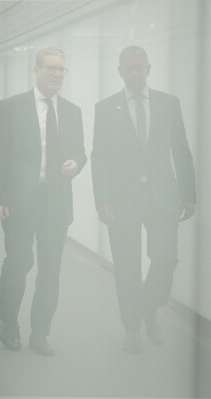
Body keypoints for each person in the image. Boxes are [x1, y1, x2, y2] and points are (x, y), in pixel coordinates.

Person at [91, 45, 196, 354]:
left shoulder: (168, 103)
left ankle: (149, 306)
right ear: (120, 72)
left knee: (166, 258)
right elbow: (99, 156)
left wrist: (189, 194)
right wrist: (102, 200)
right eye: (129, 68)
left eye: (140, 67)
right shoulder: (106, 107)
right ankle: (132, 328)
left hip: (163, 196)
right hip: (122, 199)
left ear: (149, 68)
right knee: (126, 266)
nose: (135, 73)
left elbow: (181, 149)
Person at [0, 47, 86, 356]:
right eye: (51, 68)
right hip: (19, 201)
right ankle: (9, 326)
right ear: (37, 71)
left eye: (61, 69)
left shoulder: (72, 111)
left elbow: (81, 151)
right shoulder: (11, 107)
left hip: (55, 202)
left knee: (50, 269)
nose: (57, 74)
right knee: (18, 264)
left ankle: (40, 332)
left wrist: (76, 163)